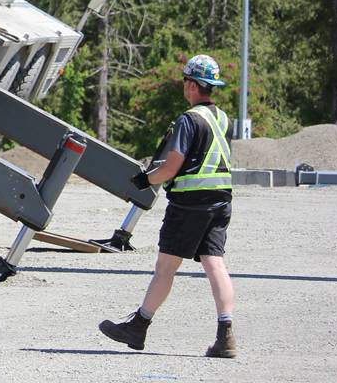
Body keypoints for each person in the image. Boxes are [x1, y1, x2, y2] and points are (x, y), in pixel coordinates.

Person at [99, 54, 237, 358]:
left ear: (191, 84)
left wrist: (145, 179)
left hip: (189, 204)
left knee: (165, 268)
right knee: (215, 264)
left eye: (185, 81)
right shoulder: (223, 119)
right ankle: (226, 335)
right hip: (220, 201)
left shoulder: (190, 119)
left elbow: (172, 166)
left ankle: (138, 326)